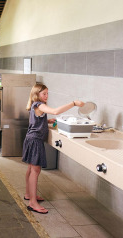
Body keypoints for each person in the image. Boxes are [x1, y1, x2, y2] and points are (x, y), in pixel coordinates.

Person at [22, 83, 84, 214]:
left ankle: (29, 195)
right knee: (36, 170)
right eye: (44, 93)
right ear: (36, 94)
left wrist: (46, 121)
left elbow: (36, 121)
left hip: (30, 139)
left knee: (31, 168)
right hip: (35, 141)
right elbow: (56, 111)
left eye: (47, 93)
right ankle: (33, 203)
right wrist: (73, 103)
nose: (46, 96)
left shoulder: (35, 105)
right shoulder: (39, 104)